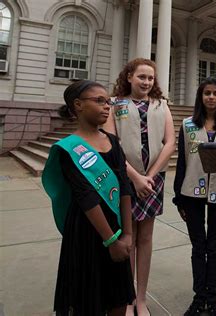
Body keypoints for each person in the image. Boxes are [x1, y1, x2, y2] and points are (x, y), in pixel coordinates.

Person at [42, 80, 135, 315]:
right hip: (86, 233)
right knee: (87, 300)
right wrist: (110, 241)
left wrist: (127, 233)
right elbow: (86, 196)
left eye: (108, 101)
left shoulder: (113, 141)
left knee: (119, 299)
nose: (107, 106)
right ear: (78, 105)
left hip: (116, 226)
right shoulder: (68, 149)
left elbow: (124, 186)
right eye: (99, 101)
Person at [103, 58, 176, 316]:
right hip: (125, 180)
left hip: (153, 182)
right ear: (129, 77)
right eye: (141, 77)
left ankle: (142, 298)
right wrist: (134, 178)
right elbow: (112, 145)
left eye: (150, 78)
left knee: (145, 239)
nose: (146, 82)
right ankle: (128, 298)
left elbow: (169, 143)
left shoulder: (161, 105)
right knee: (129, 239)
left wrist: (150, 178)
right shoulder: (114, 104)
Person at [173, 77, 216, 316]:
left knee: (215, 247)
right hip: (191, 192)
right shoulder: (188, 125)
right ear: (200, 96)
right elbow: (182, 162)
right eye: (207, 93)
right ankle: (199, 296)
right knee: (198, 246)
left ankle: (213, 297)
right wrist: (178, 198)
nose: (211, 97)